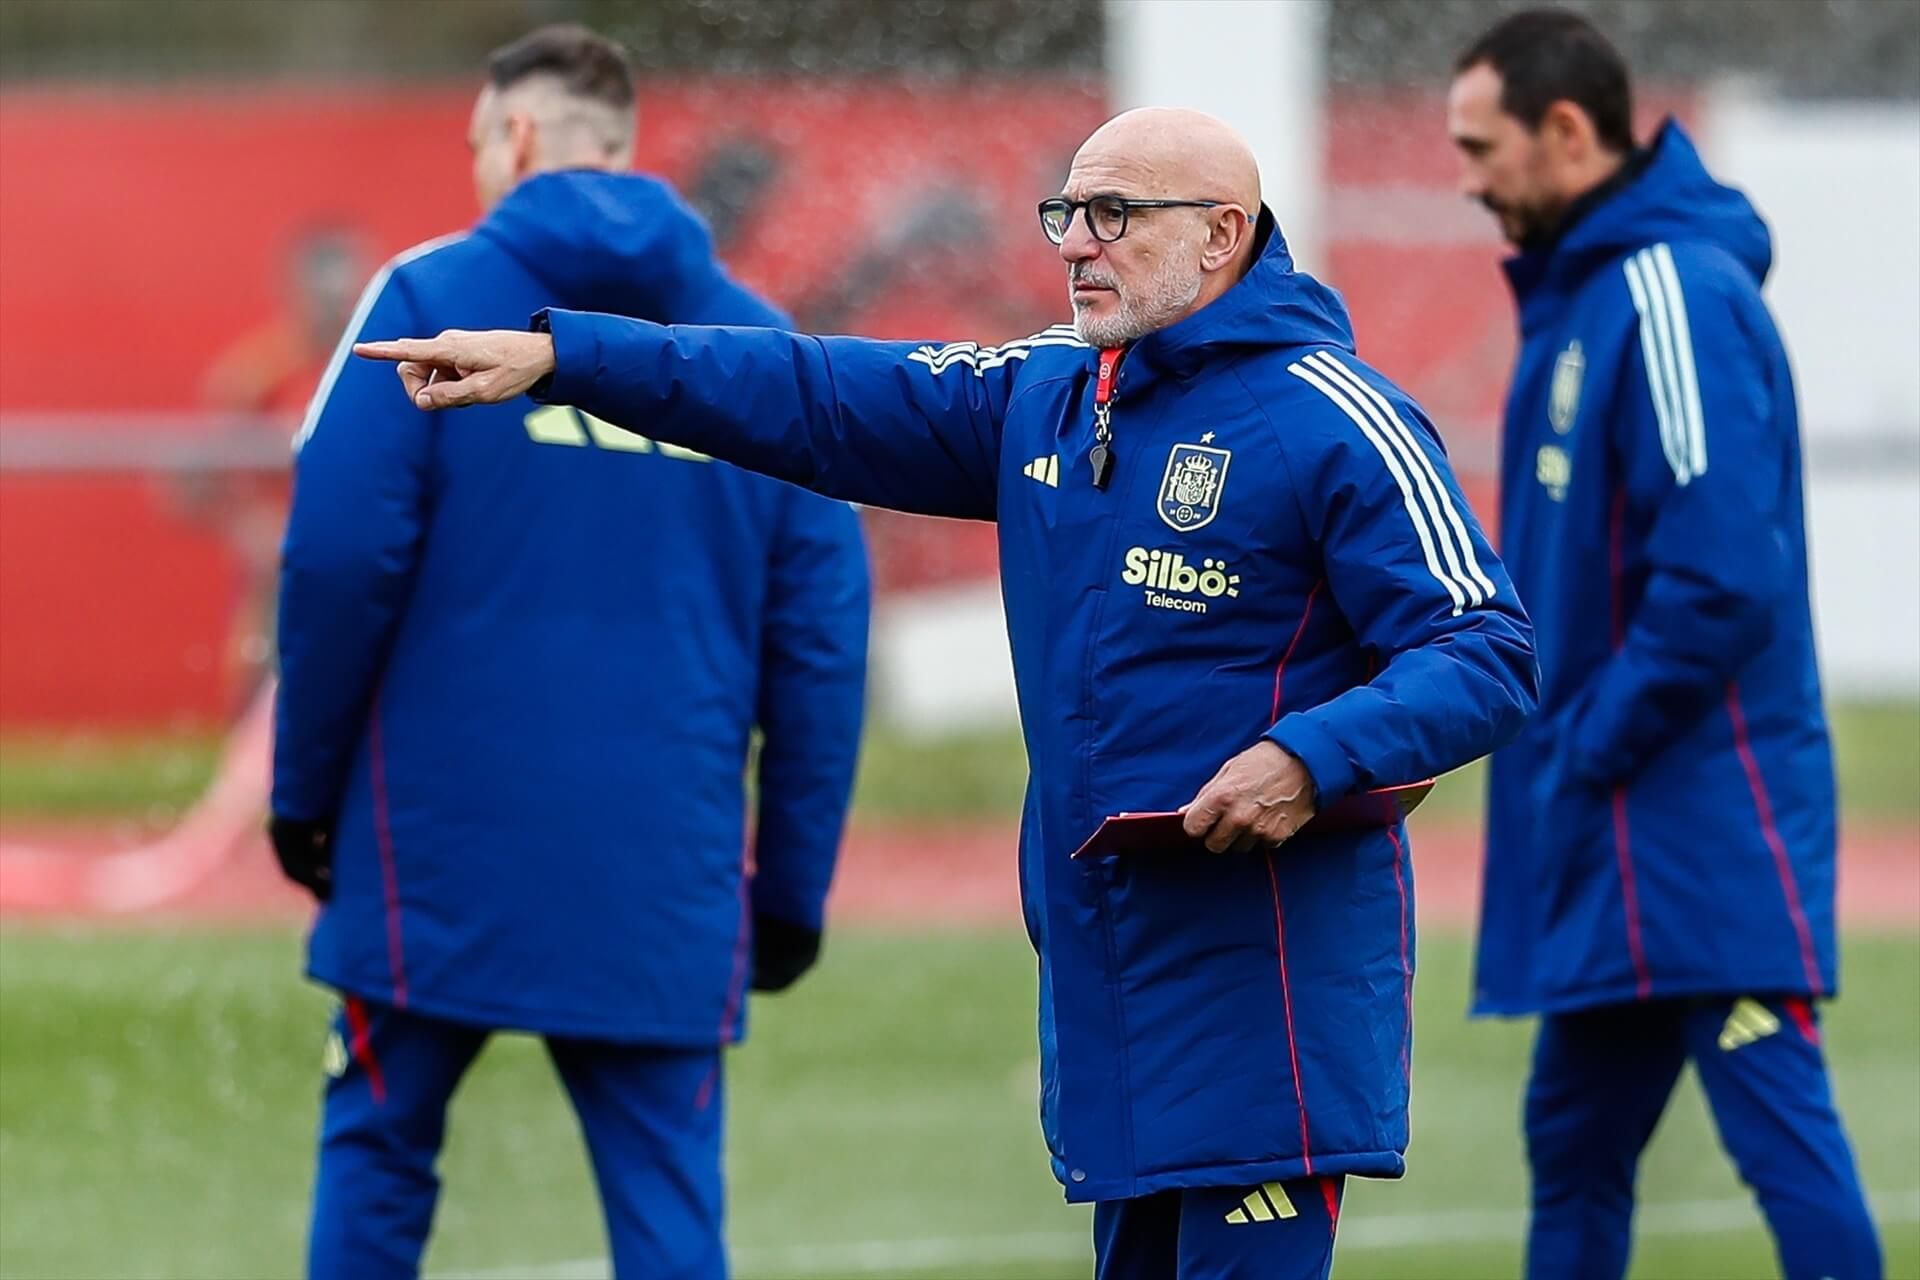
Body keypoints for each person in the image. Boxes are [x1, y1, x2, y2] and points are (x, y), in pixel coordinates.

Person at [357, 106, 1539, 1280]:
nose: (1075, 241)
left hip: (1263, 999)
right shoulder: (1050, 393)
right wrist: (567, 355)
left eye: (1114, 214)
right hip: (1109, 992)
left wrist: (1309, 756)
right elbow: (808, 392)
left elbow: (1486, 647)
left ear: (1224, 234)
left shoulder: (1335, 416)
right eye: (1066, 212)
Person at [270, 25, 870, 1280]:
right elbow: (820, 646)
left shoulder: (426, 302)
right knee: (665, 1205)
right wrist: (791, 888)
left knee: (378, 1156)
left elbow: (334, 566)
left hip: (431, 845)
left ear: (520, 138)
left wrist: (302, 800)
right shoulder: (769, 350)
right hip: (663, 864)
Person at [1446, 11, 1882, 1280]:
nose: (1467, 179)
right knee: (1571, 1143)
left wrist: (1586, 739)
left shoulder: (1673, 290)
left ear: (1568, 132)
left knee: (1777, 1129)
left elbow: (1724, 577)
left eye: (1483, 146)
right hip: (1608, 822)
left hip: (1699, 819)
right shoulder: (1585, 296)